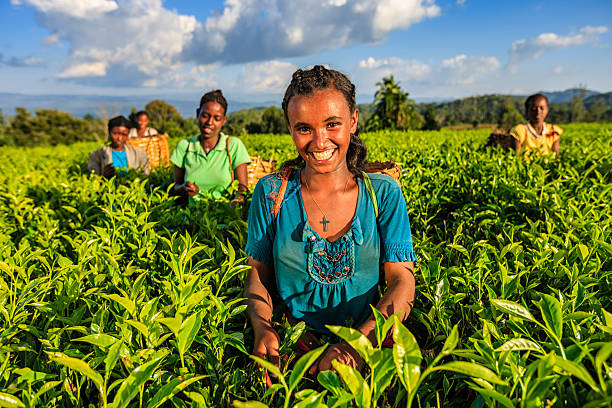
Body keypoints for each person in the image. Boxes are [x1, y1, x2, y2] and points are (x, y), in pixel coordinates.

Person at [244, 66, 417, 375]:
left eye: (332, 124)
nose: (320, 141)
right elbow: (258, 276)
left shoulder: (382, 192)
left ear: (353, 121)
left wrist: (360, 344)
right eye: (304, 128)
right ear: (290, 129)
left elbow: (402, 279)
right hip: (293, 348)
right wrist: (262, 328)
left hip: (370, 345)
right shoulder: (271, 194)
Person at [170, 90, 251, 206]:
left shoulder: (233, 146)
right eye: (205, 116)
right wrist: (184, 187)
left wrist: (234, 203)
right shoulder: (185, 146)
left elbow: (243, 187)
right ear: (198, 113)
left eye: (216, 118)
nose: (209, 122)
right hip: (190, 218)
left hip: (225, 217)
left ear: (224, 120)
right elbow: (175, 188)